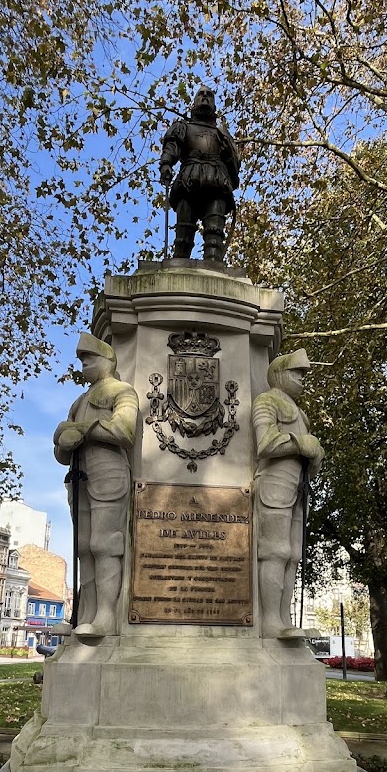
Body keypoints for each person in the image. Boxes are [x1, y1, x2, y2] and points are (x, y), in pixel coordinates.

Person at [53, 333, 139, 636]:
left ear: (108, 359)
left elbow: (125, 431)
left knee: (106, 545)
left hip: (109, 472)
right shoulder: (79, 401)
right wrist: (63, 438)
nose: (85, 365)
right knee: (83, 548)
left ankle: (105, 617)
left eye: (90, 358)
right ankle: (84, 615)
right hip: (79, 475)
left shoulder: (122, 391)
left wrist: (83, 429)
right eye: (82, 360)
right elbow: (63, 453)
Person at [252, 349, 324, 639]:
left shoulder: (300, 412)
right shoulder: (267, 400)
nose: (303, 379)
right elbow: (265, 443)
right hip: (275, 483)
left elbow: (309, 460)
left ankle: (284, 618)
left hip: (297, 487)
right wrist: (300, 442)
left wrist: (315, 453)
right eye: (297, 373)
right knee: (274, 551)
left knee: (292, 555)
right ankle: (270, 621)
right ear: (280, 375)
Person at [159, 86, 240, 262]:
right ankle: (179, 266)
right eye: (201, 94)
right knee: (184, 232)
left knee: (215, 231)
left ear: (214, 104)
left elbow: (234, 166)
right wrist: (166, 163)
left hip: (217, 182)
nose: (205, 97)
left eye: (209, 95)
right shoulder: (182, 128)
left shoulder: (223, 135)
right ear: (194, 102)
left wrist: (228, 154)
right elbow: (172, 147)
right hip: (189, 179)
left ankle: (214, 267)